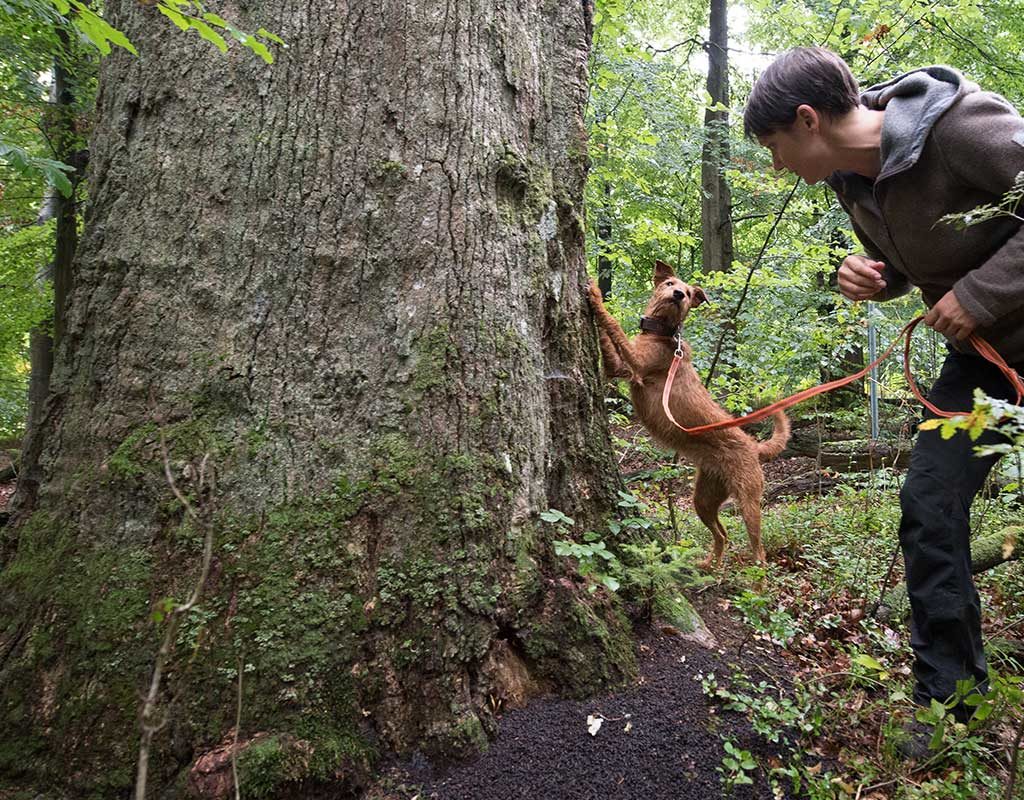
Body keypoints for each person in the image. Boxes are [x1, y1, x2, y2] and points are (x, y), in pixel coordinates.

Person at [743, 47, 1024, 755]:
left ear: (808, 120)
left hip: (999, 328)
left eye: (776, 147)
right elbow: (917, 258)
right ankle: (951, 708)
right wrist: (877, 277)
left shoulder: (963, 126)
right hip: (984, 365)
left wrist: (982, 294)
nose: (777, 167)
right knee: (929, 512)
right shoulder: (850, 182)